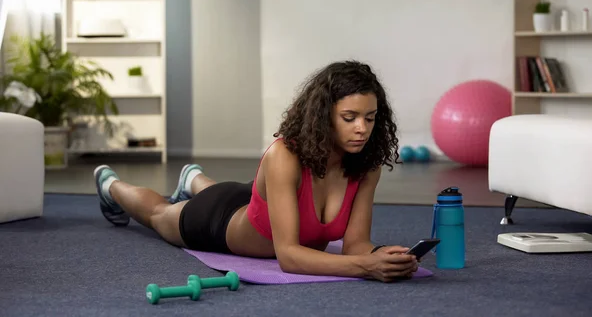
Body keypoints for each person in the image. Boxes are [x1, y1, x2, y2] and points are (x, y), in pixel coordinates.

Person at [94, 60, 418, 283]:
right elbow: (289, 257)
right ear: (323, 116)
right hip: (217, 221)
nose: (362, 128)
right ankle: (110, 185)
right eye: (349, 118)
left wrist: (383, 255)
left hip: (253, 204)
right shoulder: (285, 155)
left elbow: (355, 245)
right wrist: (365, 267)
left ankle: (193, 179)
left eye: (370, 118)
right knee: (158, 213)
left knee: (246, 198)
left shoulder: (366, 164)